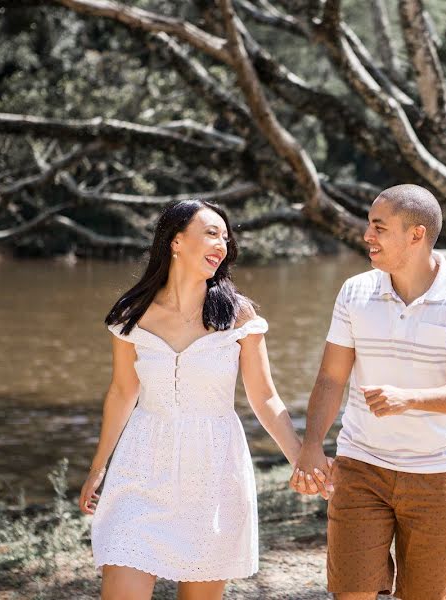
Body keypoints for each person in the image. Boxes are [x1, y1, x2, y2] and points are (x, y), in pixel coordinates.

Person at [79, 200, 305, 600]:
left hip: (213, 469)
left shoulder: (239, 316)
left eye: (225, 236)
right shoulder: (132, 314)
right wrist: (99, 467)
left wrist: (302, 459)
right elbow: (122, 392)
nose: (223, 243)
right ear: (177, 241)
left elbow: (264, 396)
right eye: (212, 233)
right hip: (141, 466)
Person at [291, 184, 446, 600]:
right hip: (361, 466)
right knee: (351, 593)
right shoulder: (355, 292)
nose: (367, 235)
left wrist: (410, 399)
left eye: (379, 227)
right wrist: (312, 444)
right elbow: (331, 378)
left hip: (437, 474)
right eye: (370, 225)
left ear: (415, 235)